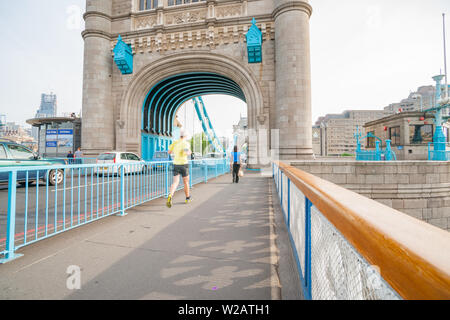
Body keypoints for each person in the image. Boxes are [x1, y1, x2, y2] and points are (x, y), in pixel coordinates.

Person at [166, 130, 192, 208]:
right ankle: (187, 198)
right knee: (186, 182)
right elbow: (186, 152)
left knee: (175, 182)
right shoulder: (186, 143)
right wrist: (189, 152)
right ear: (185, 136)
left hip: (176, 164)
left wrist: (175, 151)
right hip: (184, 164)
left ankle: (170, 195)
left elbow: (169, 152)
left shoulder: (175, 142)